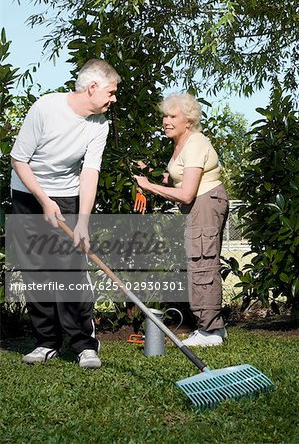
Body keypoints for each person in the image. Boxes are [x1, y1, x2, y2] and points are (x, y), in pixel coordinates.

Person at [10, 58, 121, 367]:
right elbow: (19, 159)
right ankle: (46, 342)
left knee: (71, 272)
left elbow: (90, 172)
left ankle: (85, 345)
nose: (113, 99)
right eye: (111, 92)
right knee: (37, 271)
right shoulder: (46, 108)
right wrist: (44, 200)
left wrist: (82, 221)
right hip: (28, 193)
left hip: (68, 195)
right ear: (92, 87)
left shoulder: (100, 124)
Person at [135, 93, 229, 347]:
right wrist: (157, 176)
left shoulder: (196, 142)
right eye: (165, 115)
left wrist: (150, 186)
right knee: (197, 259)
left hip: (204, 202)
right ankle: (210, 327)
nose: (166, 120)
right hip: (199, 204)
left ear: (188, 120)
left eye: (172, 116)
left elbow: (187, 194)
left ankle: (211, 331)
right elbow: (179, 177)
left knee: (202, 261)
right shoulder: (180, 143)